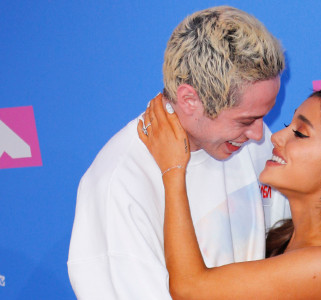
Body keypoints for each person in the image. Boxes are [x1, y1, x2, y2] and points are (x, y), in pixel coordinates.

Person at [68, 6, 289, 299]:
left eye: (264, 115)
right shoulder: (120, 182)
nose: (260, 134)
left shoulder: (255, 142)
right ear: (189, 100)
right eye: (245, 120)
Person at [139, 87, 321, 299]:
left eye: (300, 134)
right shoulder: (281, 239)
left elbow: (190, 288)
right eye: (289, 125)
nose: (276, 136)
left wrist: (173, 169)